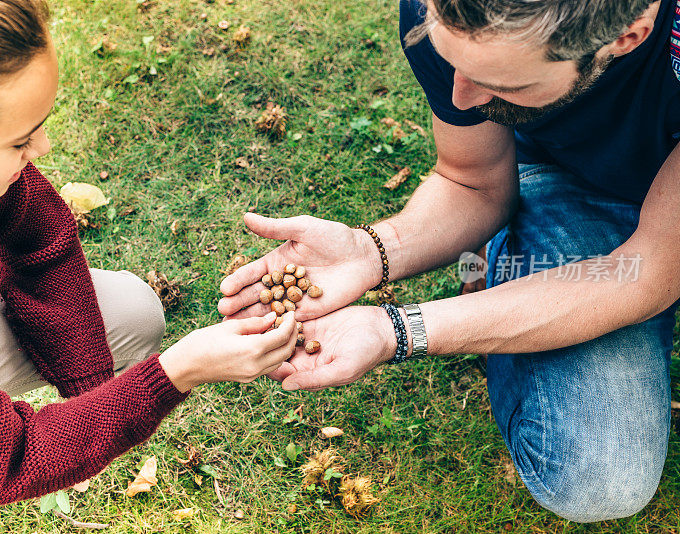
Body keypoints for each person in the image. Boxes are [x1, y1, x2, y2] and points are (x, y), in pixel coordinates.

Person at [219, 0, 680, 523]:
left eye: (505, 85)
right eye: (453, 63)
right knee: (599, 478)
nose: (462, 96)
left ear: (627, 37)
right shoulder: (445, 11)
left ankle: (510, 283)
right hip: (582, 182)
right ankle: (514, 264)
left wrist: (401, 327)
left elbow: (648, 270)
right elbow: (472, 180)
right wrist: (375, 249)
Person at [0, 0, 298, 530]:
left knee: (134, 313)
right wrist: (179, 372)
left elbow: (41, 242)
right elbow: (12, 460)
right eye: (20, 140)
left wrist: (89, 400)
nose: (44, 146)